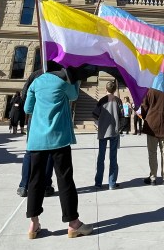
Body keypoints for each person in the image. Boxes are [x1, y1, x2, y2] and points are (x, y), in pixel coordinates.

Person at [24, 62, 92, 239]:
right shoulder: (62, 83)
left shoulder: (36, 83)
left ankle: (34, 223)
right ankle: (73, 223)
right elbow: (74, 96)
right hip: (58, 139)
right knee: (65, 179)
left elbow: (27, 108)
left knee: (35, 180)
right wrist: (76, 80)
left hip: (37, 139)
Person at [18, 68, 55, 198]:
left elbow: (24, 94)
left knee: (30, 150)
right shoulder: (57, 75)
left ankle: (24, 186)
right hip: (50, 117)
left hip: (34, 116)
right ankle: (45, 185)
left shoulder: (35, 75)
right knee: (50, 151)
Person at [93, 80, 123, 189]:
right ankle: (112, 183)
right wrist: (120, 127)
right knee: (113, 157)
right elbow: (122, 116)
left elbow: (95, 115)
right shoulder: (118, 101)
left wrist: (98, 125)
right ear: (115, 90)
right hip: (114, 132)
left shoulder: (102, 101)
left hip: (103, 132)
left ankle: (98, 183)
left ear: (106, 89)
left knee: (101, 157)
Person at [140, 87, 164, 185]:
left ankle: (153, 177)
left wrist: (145, 116)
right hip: (163, 123)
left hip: (152, 124)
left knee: (152, 152)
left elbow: (144, 107)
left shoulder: (149, 91)